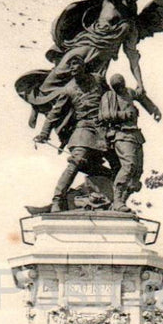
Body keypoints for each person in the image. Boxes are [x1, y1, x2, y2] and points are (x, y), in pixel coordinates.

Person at [16, 0, 148, 140]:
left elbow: (132, 56)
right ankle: (36, 105)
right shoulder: (110, 2)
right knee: (56, 76)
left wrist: (140, 83)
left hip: (101, 61)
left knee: (88, 93)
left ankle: (74, 131)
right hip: (85, 46)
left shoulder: (130, 24)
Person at [34, 55, 116, 212]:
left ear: (83, 66)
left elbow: (111, 98)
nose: (73, 68)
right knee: (76, 162)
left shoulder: (97, 79)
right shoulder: (68, 89)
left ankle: (116, 201)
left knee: (120, 167)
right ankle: (57, 200)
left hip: (104, 130)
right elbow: (55, 113)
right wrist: (44, 133)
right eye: (70, 66)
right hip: (83, 130)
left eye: (76, 64)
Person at [99, 73, 161, 212]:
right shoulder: (108, 96)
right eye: (117, 87)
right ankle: (118, 201)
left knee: (137, 171)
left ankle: (121, 202)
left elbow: (141, 97)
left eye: (121, 86)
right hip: (121, 135)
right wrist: (124, 115)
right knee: (129, 165)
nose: (120, 89)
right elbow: (104, 115)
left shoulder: (129, 92)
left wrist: (154, 110)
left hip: (135, 135)